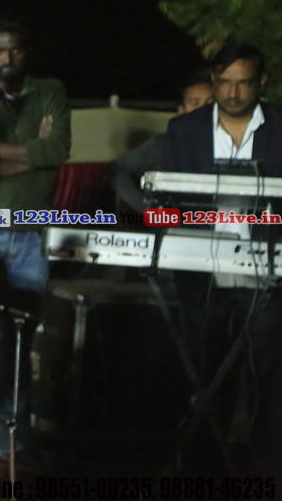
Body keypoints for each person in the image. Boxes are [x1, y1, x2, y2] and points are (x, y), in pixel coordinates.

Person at [158, 43, 282, 475]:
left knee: (268, 370)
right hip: (200, 269)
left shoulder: (280, 127)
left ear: (261, 83)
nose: (232, 92)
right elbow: (167, 197)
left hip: (266, 270)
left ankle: (266, 465)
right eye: (224, 82)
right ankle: (202, 464)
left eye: (243, 82)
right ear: (213, 82)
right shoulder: (183, 130)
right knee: (203, 366)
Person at [0, 12, 70, 458]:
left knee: (21, 339)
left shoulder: (50, 90)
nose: (9, 56)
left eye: (16, 48)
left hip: (28, 232)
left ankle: (9, 442)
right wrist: (31, 154)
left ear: (27, 51)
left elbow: (57, 149)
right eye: (0, 48)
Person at [112, 70, 213, 213]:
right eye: (195, 103)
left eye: (210, 103)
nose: (203, 109)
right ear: (181, 110)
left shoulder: (231, 145)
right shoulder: (165, 145)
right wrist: (148, 209)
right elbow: (118, 169)